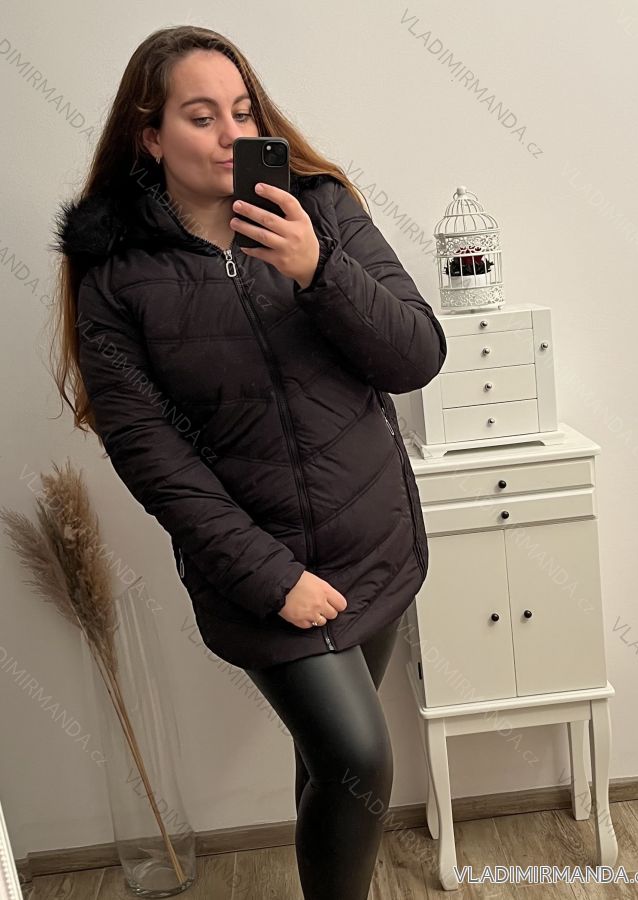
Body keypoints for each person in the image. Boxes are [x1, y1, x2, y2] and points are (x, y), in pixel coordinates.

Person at [50, 24, 447, 899]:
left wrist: (319, 270)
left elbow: (416, 356)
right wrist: (273, 580)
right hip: (255, 574)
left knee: (329, 761)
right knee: (357, 757)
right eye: (202, 117)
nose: (232, 134)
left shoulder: (322, 209)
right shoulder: (115, 277)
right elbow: (152, 458)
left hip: (371, 540)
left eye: (243, 111)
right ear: (151, 138)